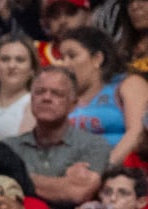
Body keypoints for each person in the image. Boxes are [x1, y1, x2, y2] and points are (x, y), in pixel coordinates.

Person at [13, 65, 111, 209]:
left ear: (73, 104)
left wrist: (16, 176)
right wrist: (61, 183)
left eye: (56, 93)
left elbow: (77, 192)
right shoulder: (10, 146)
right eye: (40, 92)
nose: (46, 98)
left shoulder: (94, 145)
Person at [57, 26, 148, 165]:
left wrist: (103, 168)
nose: (65, 64)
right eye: (62, 57)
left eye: (72, 56)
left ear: (97, 59)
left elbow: (137, 133)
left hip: (122, 172)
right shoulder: (63, 97)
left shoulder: (128, 84)